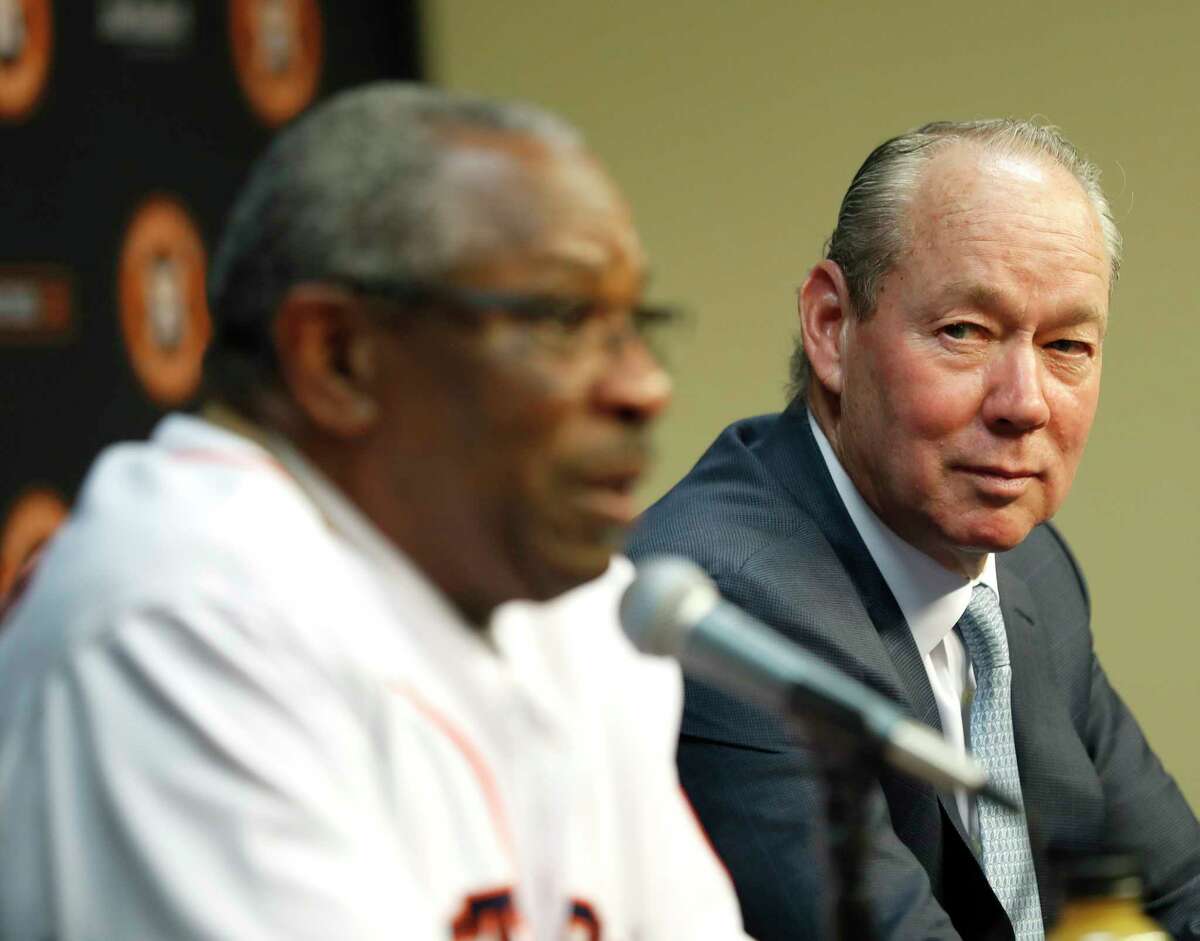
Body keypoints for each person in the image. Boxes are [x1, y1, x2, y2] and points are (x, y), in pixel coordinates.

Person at [0, 84, 747, 940]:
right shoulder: (180, 614)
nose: (644, 384)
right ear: (337, 356)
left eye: (636, 322)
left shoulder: (583, 615)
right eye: (563, 319)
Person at [629, 120, 1200, 940]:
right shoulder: (731, 610)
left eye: (1068, 344)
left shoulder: (1029, 567)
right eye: (965, 332)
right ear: (831, 326)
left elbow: (1175, 887)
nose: (1025, 403)